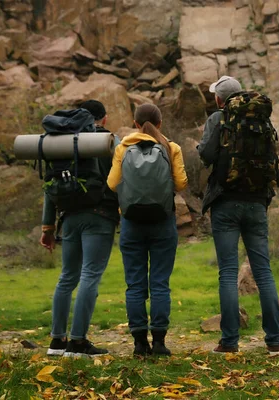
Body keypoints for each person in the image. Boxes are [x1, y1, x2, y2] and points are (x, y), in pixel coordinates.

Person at [197, 76, 279, 355]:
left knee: (228, 273)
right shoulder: (262, 120)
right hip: (257, 202)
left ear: (220, 99)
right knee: (263, 272)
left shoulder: (218, 119)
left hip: (226, 202)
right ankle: (274, 341)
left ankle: (230, 342)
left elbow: (206, 155)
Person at [40, 100, 119, 357]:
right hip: (99, 217)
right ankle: (78, 342)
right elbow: (120, 178)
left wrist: (47, 227)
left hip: (69, 216)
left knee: (67, 277)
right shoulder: (106, 140)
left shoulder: (61, 143)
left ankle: (56, 341)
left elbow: (49, 188)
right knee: (90, 275)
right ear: (103, 119)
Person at [108, 103, 188, 356]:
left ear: (135, 123)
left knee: (135, 285)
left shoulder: (123, 147)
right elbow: (182, 183)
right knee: (160, 283)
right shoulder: (170, 147)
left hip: (131, 223)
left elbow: (112, 184)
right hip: (163, 221)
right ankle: (160, 342)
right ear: (160, 123)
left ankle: (139, 343)